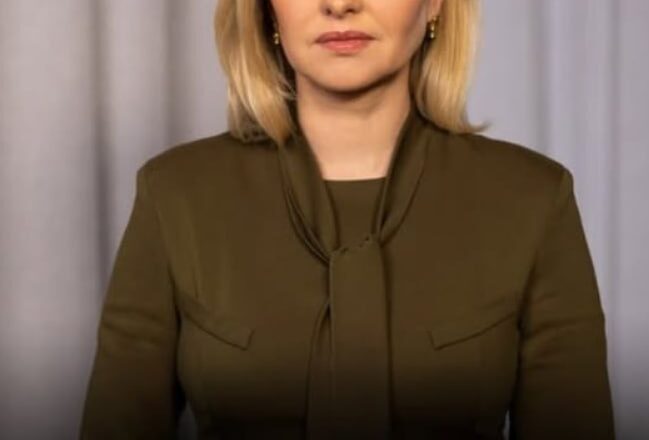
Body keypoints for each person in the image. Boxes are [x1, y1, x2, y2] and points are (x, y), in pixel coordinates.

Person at [80, 0, 616, 438]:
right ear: (265, 10)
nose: (339, 4)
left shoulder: (532, 199)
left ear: (435, 5)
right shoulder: (175, 196)